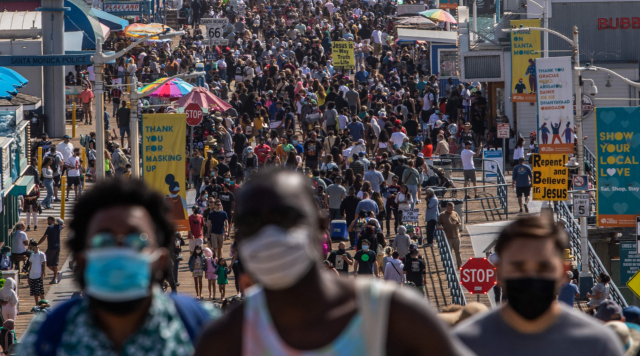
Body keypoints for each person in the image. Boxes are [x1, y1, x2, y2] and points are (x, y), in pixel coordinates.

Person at [195, 169, 471, 356]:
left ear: (321, 225)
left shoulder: (392, 315)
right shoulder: (226, 340)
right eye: (252, 224)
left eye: (285, 219)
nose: (270, 235)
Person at [17, 179, 215, 355]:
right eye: (104, 241)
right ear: (82, 261)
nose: (120, 251)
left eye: (136, 240)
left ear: (161, 259)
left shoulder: (205, 329)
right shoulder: (45, 339)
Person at [454, 216, 623, 356]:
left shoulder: (597, 344)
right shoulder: (462, 345)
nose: (531, 276)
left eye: (543, 267)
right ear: (498, 273)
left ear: (563, 272)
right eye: (518, 267)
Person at [36, 216, 63, 284]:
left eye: (48, 220)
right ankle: (55, 278)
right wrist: (59, 222)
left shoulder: (50, 227)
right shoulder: (58, 227)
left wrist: (38, 243)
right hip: (58, 247)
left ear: (51, 220)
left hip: (51, 248)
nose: (47, 222)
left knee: (46, 262)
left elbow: (45, 236)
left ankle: (57, 273)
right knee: (55, 263)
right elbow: (63, 225)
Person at [438, 202, 462, 267]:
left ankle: (459, 264)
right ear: (447, 208)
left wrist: (458, 224)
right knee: (449, 252)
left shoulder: (455, 213)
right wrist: (440, 227)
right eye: (450, 208)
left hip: (456, 236)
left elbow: (460, 223)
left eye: (452, 208)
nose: (451, 209)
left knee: (458, 251)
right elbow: (438, 224)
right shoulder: (442, 215)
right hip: (448, 237)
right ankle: (450, 265)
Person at [27, 239, 46, 305]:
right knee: (35, 293)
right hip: (32, 275)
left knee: (41, 292)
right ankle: (37, 305)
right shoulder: (32, 255)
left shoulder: (41, 254)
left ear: (35, 246)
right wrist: (28, 276)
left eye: (31, 246)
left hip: (38, 275)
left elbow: (44, 265)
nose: (30, 248)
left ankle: (44, 305)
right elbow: (30, 266)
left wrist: (42, 274)